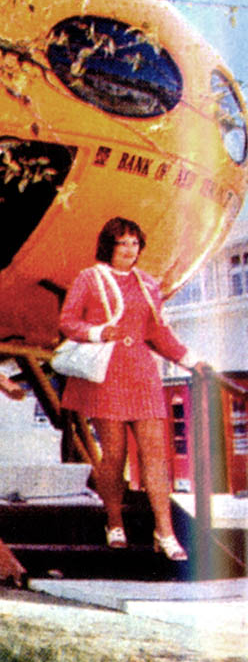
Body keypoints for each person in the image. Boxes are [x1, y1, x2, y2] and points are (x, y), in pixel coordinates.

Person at [59, 216, 208, 562]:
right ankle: (114, 521)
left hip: (142, 374)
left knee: (155, 457)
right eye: (122, 243)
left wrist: (192, 360)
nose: (129, 250)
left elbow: (158, 334)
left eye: (134, 243)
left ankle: (165, 532)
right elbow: (67, 322)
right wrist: (97, 332)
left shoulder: (147, 284)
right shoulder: (89, 278)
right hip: (107, 374)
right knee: (113, 456)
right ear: (108, 246)